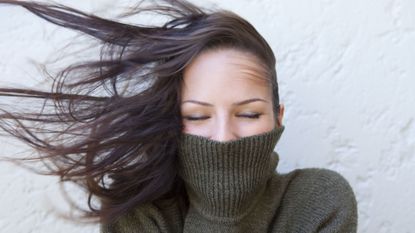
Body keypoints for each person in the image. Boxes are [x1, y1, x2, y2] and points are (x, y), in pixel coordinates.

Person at [0, 0, 358, 232]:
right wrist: (217, 209)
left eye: (248, 114)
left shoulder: (320, 200)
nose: (223, 136)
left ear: (278, 118)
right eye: (198, 117)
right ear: (169, 118)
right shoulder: (137, 214)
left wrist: (224, 208)